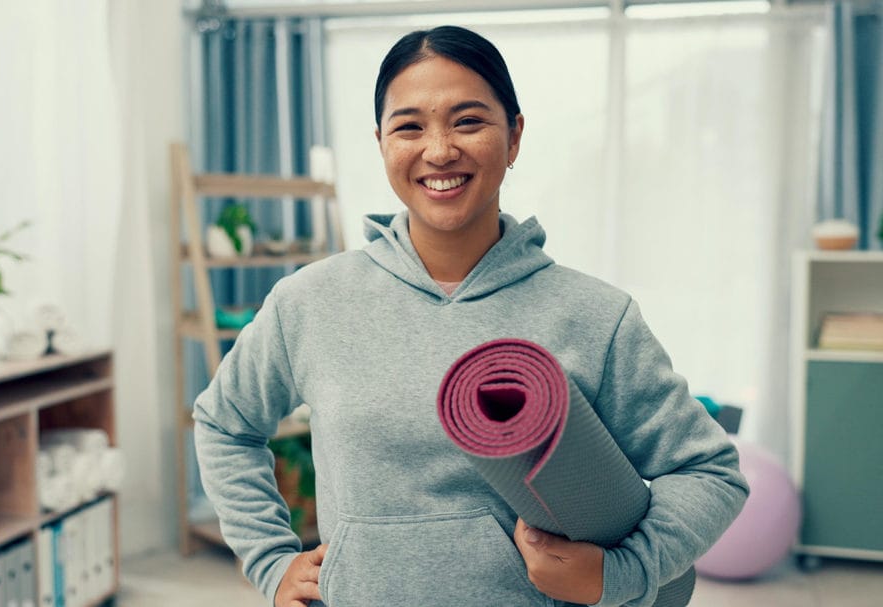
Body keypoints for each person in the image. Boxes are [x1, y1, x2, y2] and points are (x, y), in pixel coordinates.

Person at [193, 25, 748, 607]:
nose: (438, 150)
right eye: (409, 126)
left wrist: (623, 572)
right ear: (381, 142)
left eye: (468, 121)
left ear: (514, 137)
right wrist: (272, 563)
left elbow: (709, 471)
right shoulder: (309, 302)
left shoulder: (594, 316)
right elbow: (224, 425)